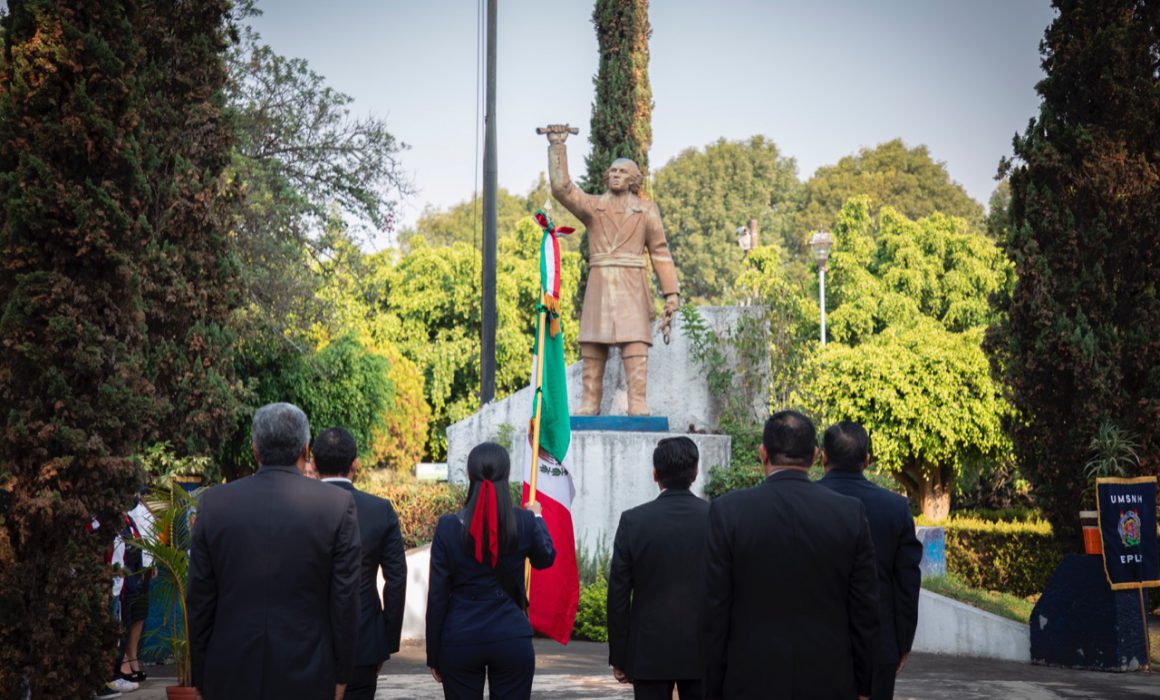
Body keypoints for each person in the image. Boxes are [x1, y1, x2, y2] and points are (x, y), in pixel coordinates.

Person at [187, 402, 361, 700]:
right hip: (309, 669)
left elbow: (200, 600)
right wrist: (342, 673)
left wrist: (201, 676)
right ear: (306, 449)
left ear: (254, 449)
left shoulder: (214, 504)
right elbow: (345, 600)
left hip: (229, 670)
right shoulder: (335, 505)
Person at [703, 410, 880, 700]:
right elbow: (865, 610)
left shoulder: (729, 511)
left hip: (749, 680)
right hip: (829, 680)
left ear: (763, 453)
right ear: (814, 456)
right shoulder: (849, 513)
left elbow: (714, 612)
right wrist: (863, 686)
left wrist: (712, 689)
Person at [542, 124, 679, 416]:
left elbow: (660, 251)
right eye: (612, 172)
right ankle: (590, 402)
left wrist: (671, 293)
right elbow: (562, 188)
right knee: (592, 342)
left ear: (633, 180)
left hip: (631, 280)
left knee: (636, 342)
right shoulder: (593, 207)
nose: (615, 175)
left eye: (622, 172)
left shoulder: (646, 210)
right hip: (601, 281)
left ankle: (637, 402)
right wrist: (557, 146)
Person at [426, 442, 555, 699]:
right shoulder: (524, 521)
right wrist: (537, 517)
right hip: (510, 636)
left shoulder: (448, 527)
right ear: (506, 475)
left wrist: (434, 654)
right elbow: (546, 558)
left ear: (470, 475)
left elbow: (437, 596)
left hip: (461, 637)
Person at [819, 422, 922, 700]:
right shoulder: (895, 508)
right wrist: (902, 642)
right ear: (867, 460)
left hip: (814, 645)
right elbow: (907, 583)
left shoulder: (803, 504)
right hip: (879, 643)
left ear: (823, 457)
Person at [607, 436, 710, 699]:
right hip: (703, 650)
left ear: (655, 474)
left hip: (648, 650)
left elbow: (618, 594)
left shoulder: (633, 521)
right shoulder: (717, 517)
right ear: (695, 473)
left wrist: (619, 655)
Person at [314, 427, 408, 700]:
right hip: (363, 640)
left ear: (314, 461)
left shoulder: (294, 506)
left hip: (303, 642)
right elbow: (397, 578)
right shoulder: (379, 510)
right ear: (355, 463)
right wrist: (385, 642)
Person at [118, 489, 155, 684]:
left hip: (144, 569)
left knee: (140, 614)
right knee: (128, 615)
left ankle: (132, 656)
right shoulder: (133, 515)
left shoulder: (132, 519)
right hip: (128, 573)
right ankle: (124, 658)